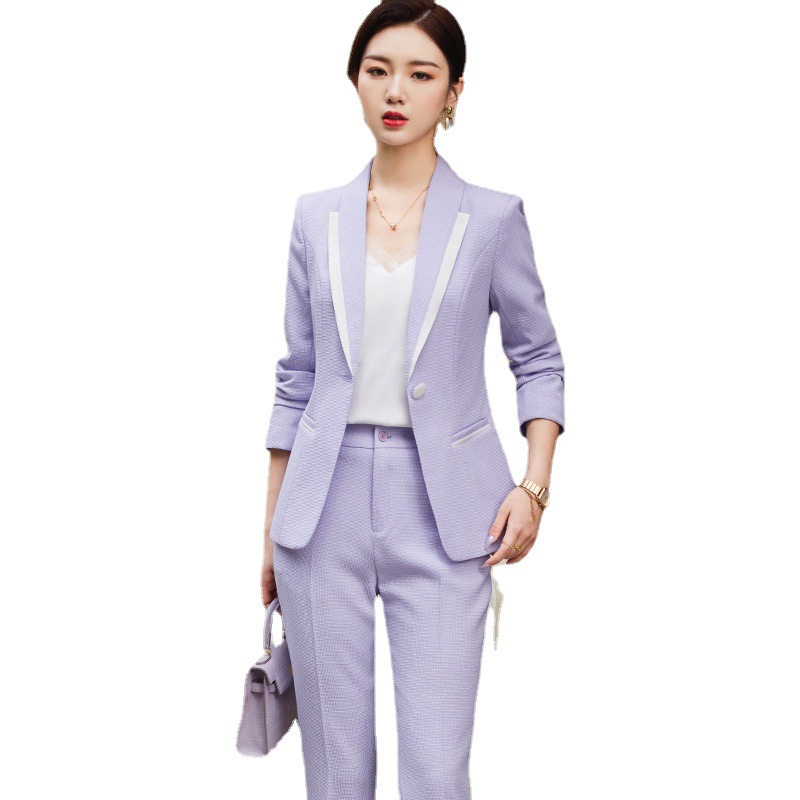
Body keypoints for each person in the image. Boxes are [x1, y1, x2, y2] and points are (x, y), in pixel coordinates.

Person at [260, 1, 565, 797]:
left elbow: (537, 358)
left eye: (421, 74)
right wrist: (270, 530)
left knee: (434, 769)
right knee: (335, 774)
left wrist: (534, 487)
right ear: (356, 82)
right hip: (319, 510)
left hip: (448, 511)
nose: (396, 90)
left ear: (453, 93)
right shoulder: (315, 218)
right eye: (378, 71)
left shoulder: (493, 219)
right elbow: (297, 377)